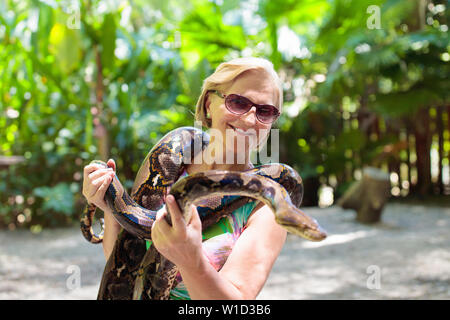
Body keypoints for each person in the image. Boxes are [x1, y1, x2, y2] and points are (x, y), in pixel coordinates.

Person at [82, 57, 286, 300]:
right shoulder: (170, 164)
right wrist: (109, 205)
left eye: (265, 111)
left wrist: (191, 260)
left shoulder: (266, 205)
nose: (250, 119)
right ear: (209, 103)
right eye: (238, 102)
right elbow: (123, 264)